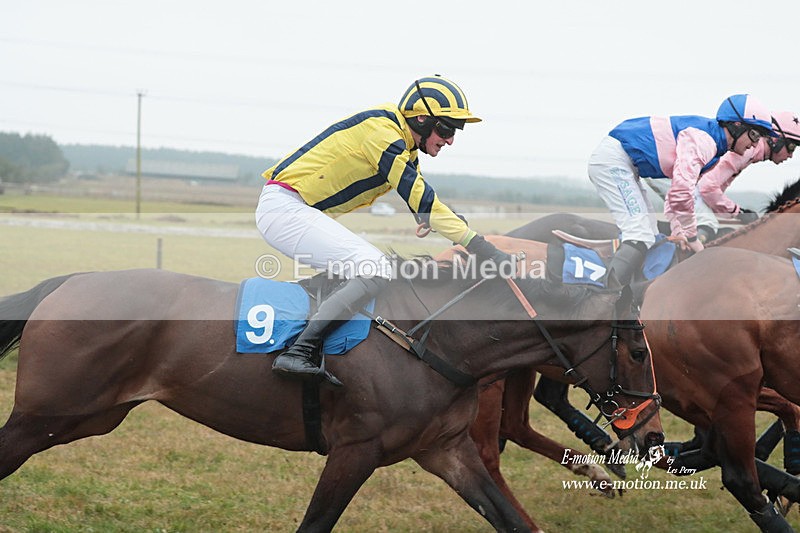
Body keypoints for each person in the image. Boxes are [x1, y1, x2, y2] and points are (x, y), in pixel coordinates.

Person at [256, 75, 512, 382]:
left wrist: (433, 217)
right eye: (446, 128)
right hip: (285, 209)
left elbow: (420, 197)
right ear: (421, 119)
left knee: (368, 266)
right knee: (375, 267)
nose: (450, 139)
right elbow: (421, 198)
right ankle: (298, 352)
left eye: (455, 131)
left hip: (295, 209)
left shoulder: (403, 141)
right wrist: (484, 248)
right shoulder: (383, 133)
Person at [587, 94, 775, 286]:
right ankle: (603, 297)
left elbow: (676, 194)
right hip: (614, 160)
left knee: (650, 235)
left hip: (628, 165)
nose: (755, 144)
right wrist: (692, 235)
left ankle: (628, 296)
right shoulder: (704, 141)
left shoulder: (715, 151)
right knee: (639, 234)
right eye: (754, 135)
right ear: (736, 126)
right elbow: (680, 193)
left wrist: (680, 231)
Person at [643, 110, 800, 242]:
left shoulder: (750, 151)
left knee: (703, 220)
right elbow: (707, 188)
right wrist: (737, 212)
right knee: (707, 222)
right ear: (775, 140)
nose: (791, 155)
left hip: (675, 170)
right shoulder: (747, 151)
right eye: (791, 146)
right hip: (669, 170)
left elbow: (710, 187)